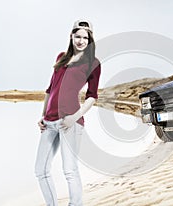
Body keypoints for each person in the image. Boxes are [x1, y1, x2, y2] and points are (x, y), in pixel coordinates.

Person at [35, 19, 101, 206]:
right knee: (41, 170)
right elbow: (50, 89)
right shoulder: (61, 57)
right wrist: (42, 115)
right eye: (77, 36)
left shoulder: (93, 63)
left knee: (70, 170)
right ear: (71, 36)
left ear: (90, 41)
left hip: (70, 121)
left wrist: (74, 117)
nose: (81, 41)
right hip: (49, 122)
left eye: (85, 38)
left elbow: (92, 96)